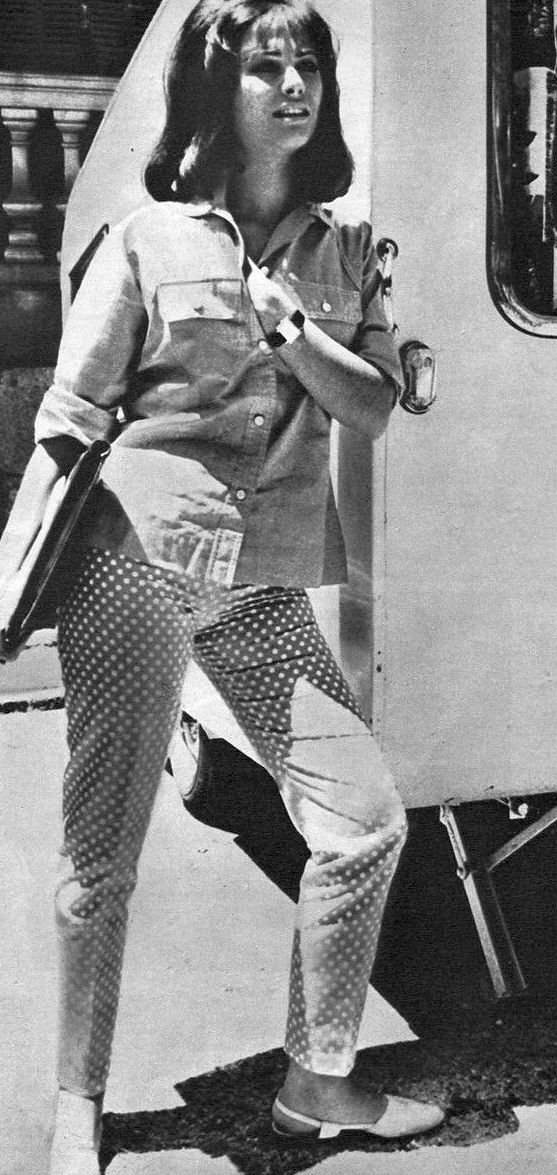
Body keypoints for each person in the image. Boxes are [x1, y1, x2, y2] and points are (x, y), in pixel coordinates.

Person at [0, 1, 444, 1170]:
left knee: (362, 821)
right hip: (135, 559)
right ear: (217, 89)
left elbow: (371, 406)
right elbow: (70, 417)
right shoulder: (146, 240)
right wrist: (15, 572)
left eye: (307, 66)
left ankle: (315, 1075)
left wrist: (294, 334)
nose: (291, 85)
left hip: (264, 581)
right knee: (102, 848)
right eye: (263, 66)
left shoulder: (348, 249)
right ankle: (79, 1103)